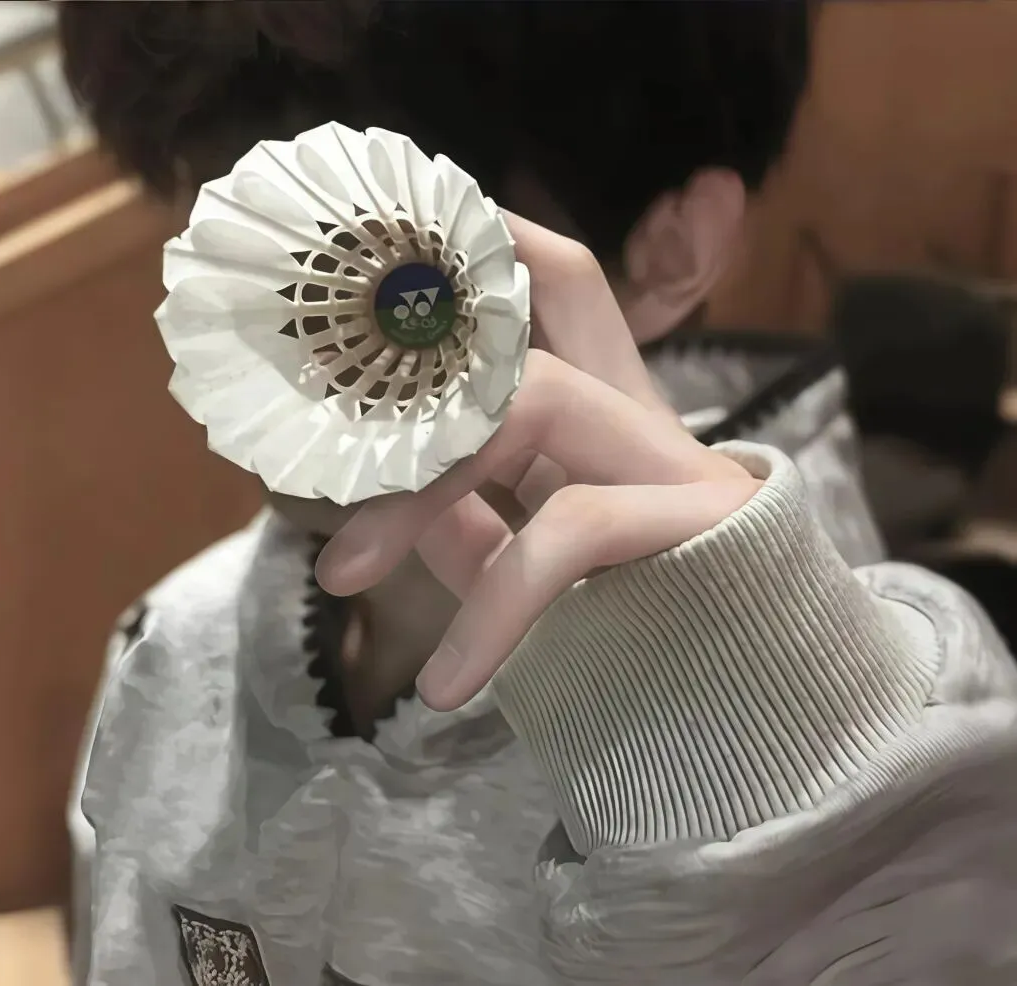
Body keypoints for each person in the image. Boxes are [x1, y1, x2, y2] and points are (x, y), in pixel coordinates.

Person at [58, 3, 1017, 984]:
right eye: (229, 224)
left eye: (370, 230)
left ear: (673, 245)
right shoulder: (172, 643)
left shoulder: (861, 725)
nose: (293, 320)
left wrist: (790, 801)